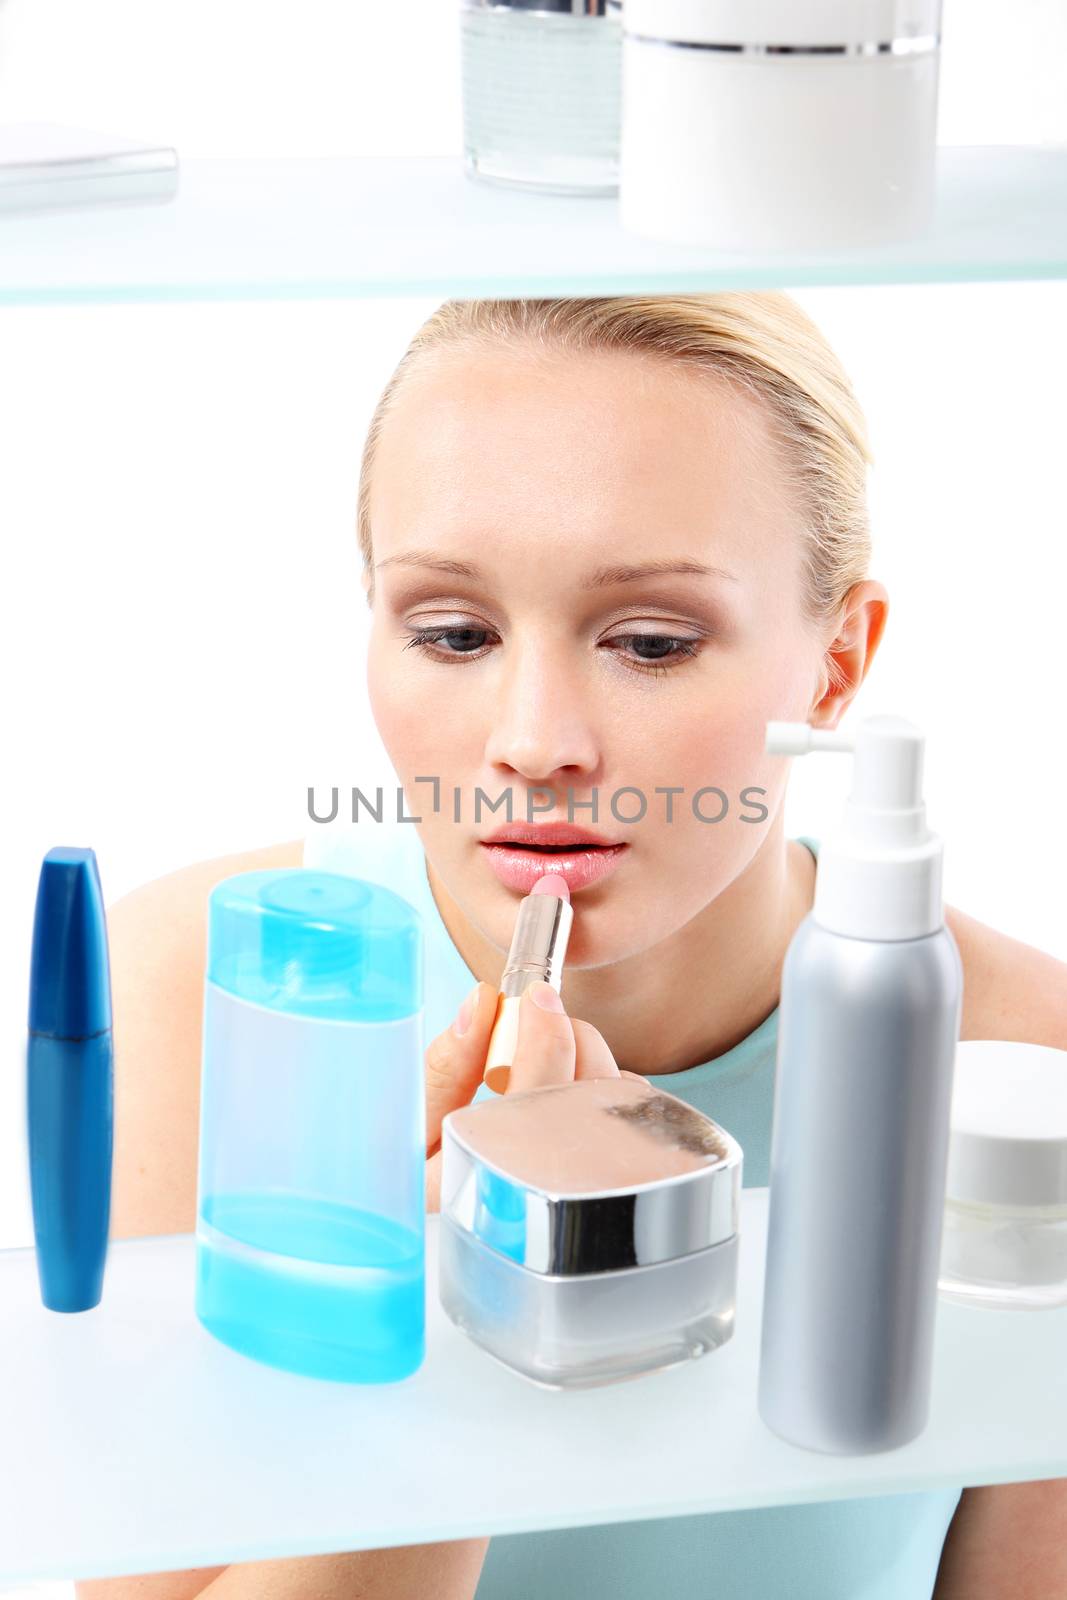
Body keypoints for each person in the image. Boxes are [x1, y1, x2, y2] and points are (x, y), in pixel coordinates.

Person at [79, 293, 1067, 1600]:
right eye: (454, 634)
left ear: (836, 663)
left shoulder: (1029, 1067)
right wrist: (433, 1335)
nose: (534, 740)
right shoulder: (194, 997)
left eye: (651, 642)